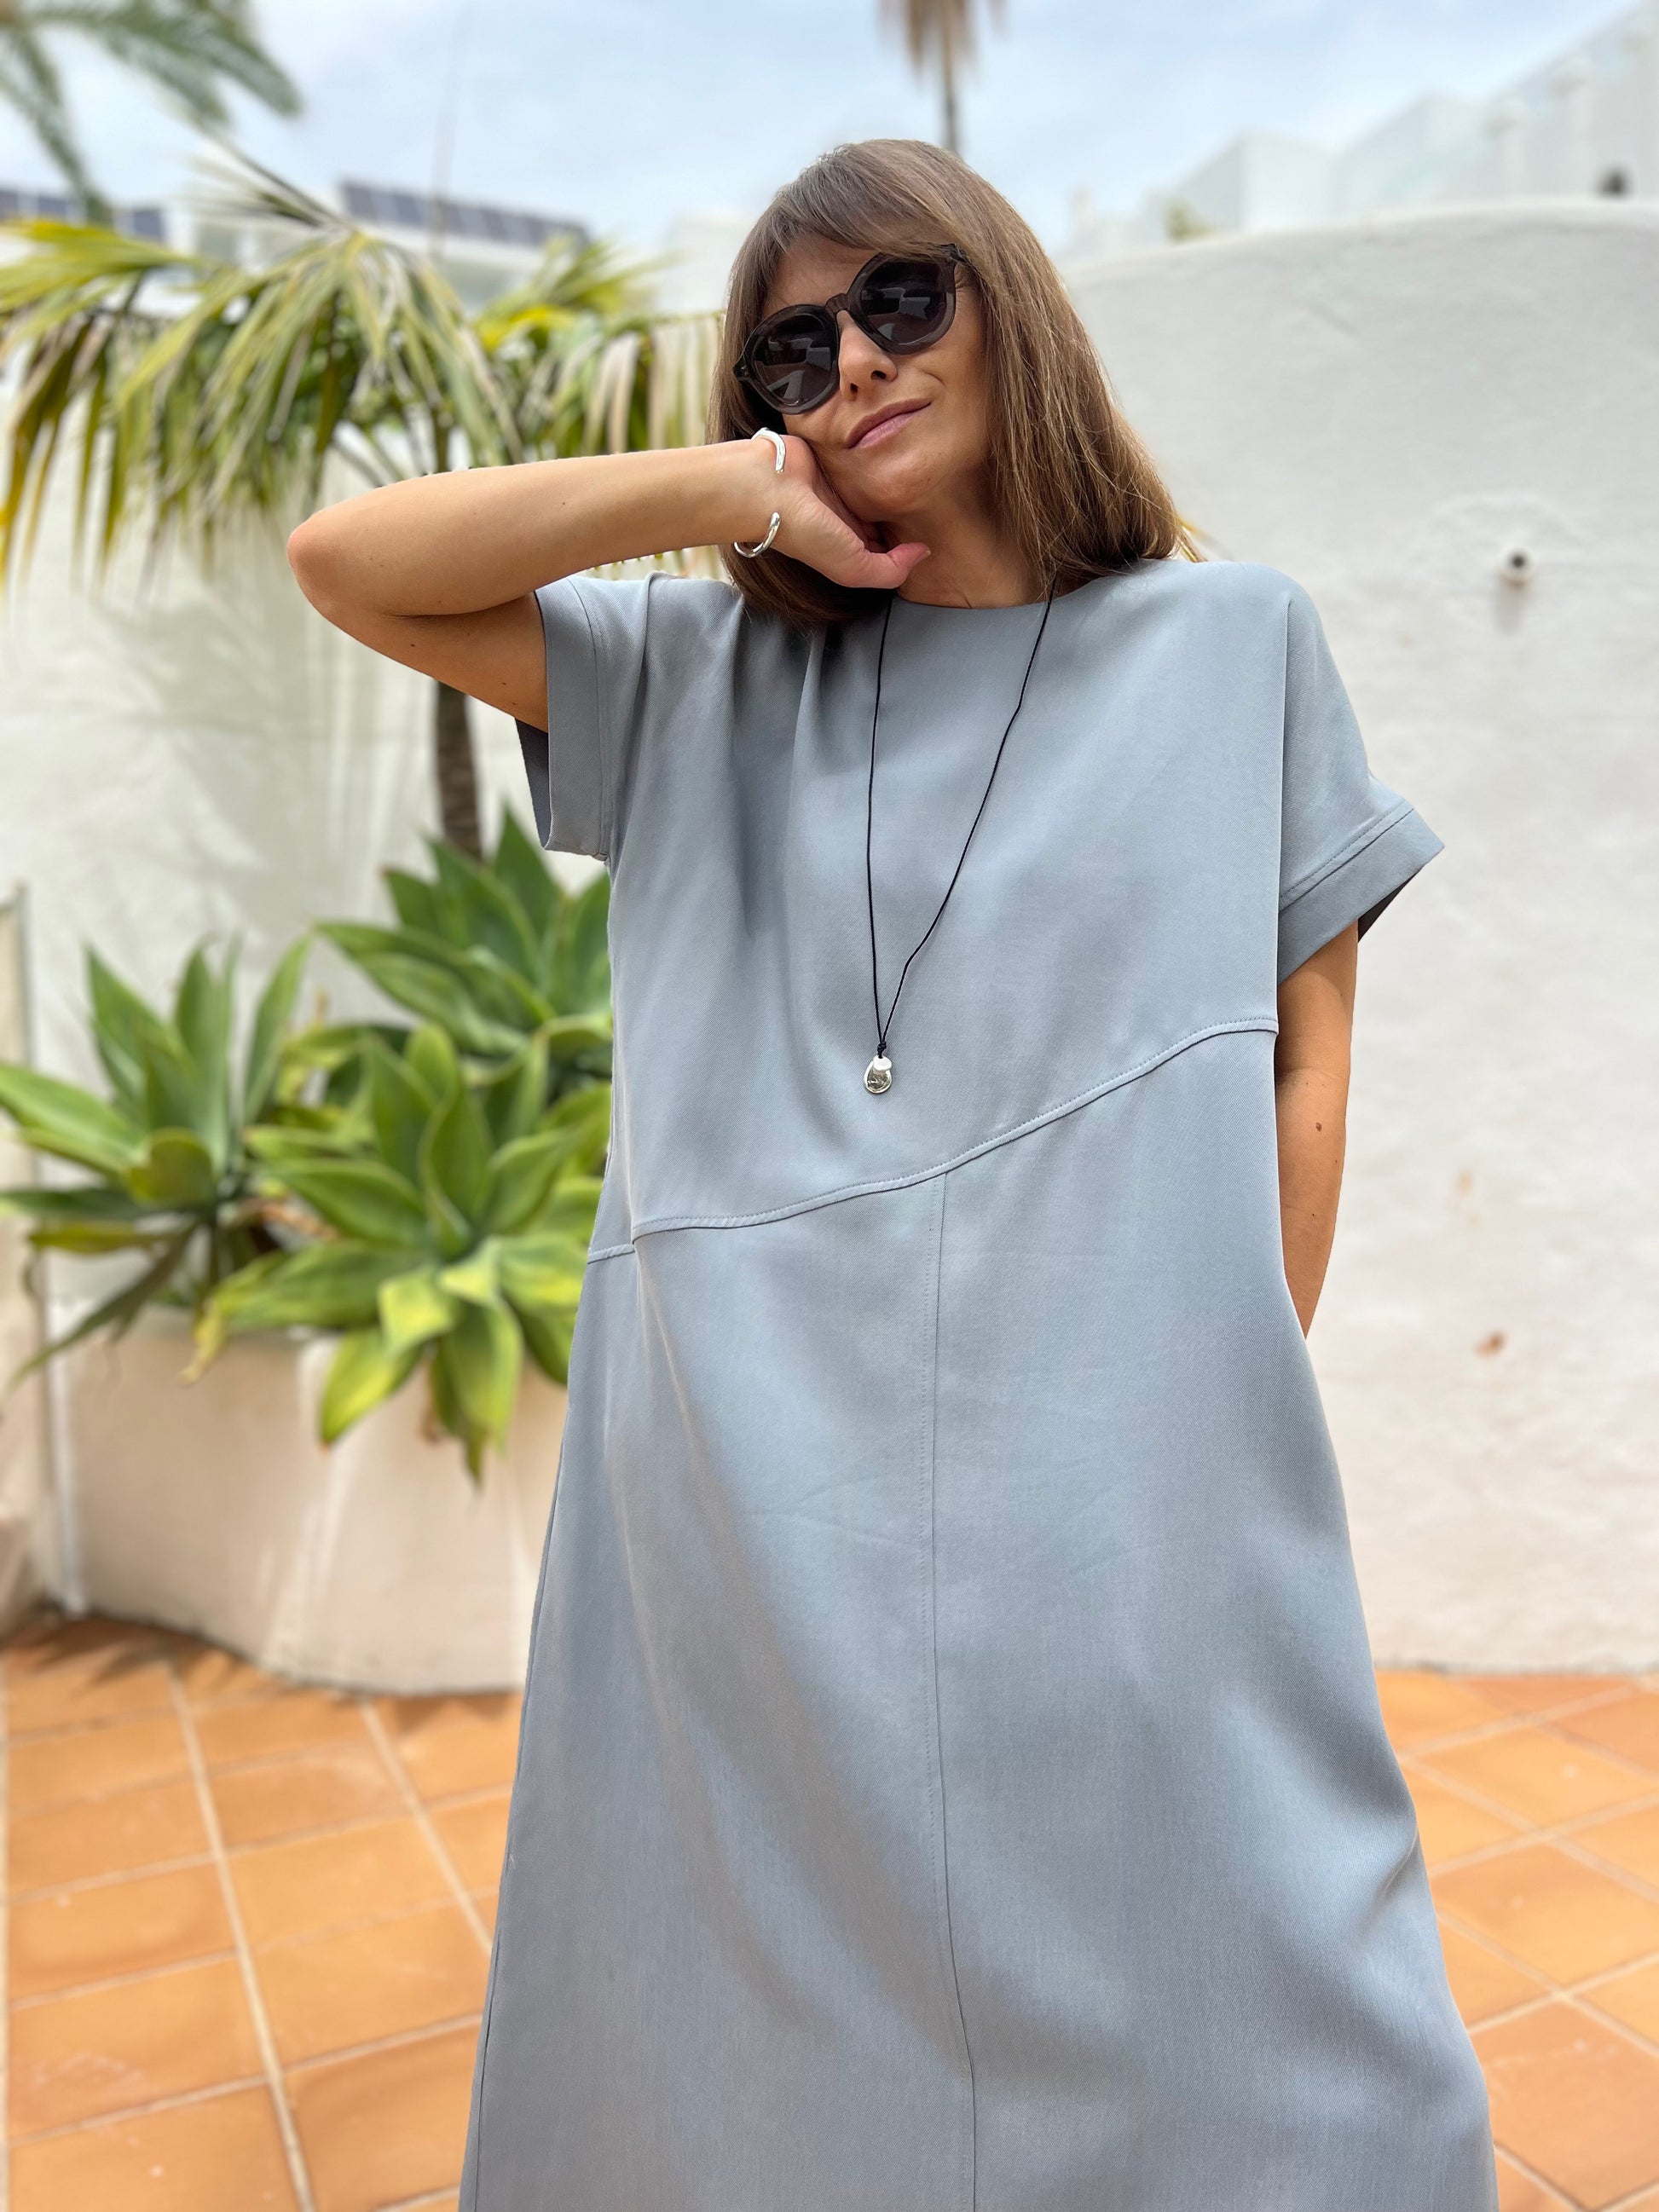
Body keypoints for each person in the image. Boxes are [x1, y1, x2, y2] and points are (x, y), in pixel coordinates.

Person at [288, 136, 1497, 2212]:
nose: (849, 360)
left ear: (1007, 301)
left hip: (1121, 1461)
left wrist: (1234, 1360)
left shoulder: (1232, 644)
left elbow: (1310, 1042)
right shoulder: (691, 679)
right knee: (758, 2044)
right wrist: (734, 492)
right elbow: (351, 560)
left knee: (1275, 1980)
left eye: (900, 300)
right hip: (751, 1483)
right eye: (790, 350)